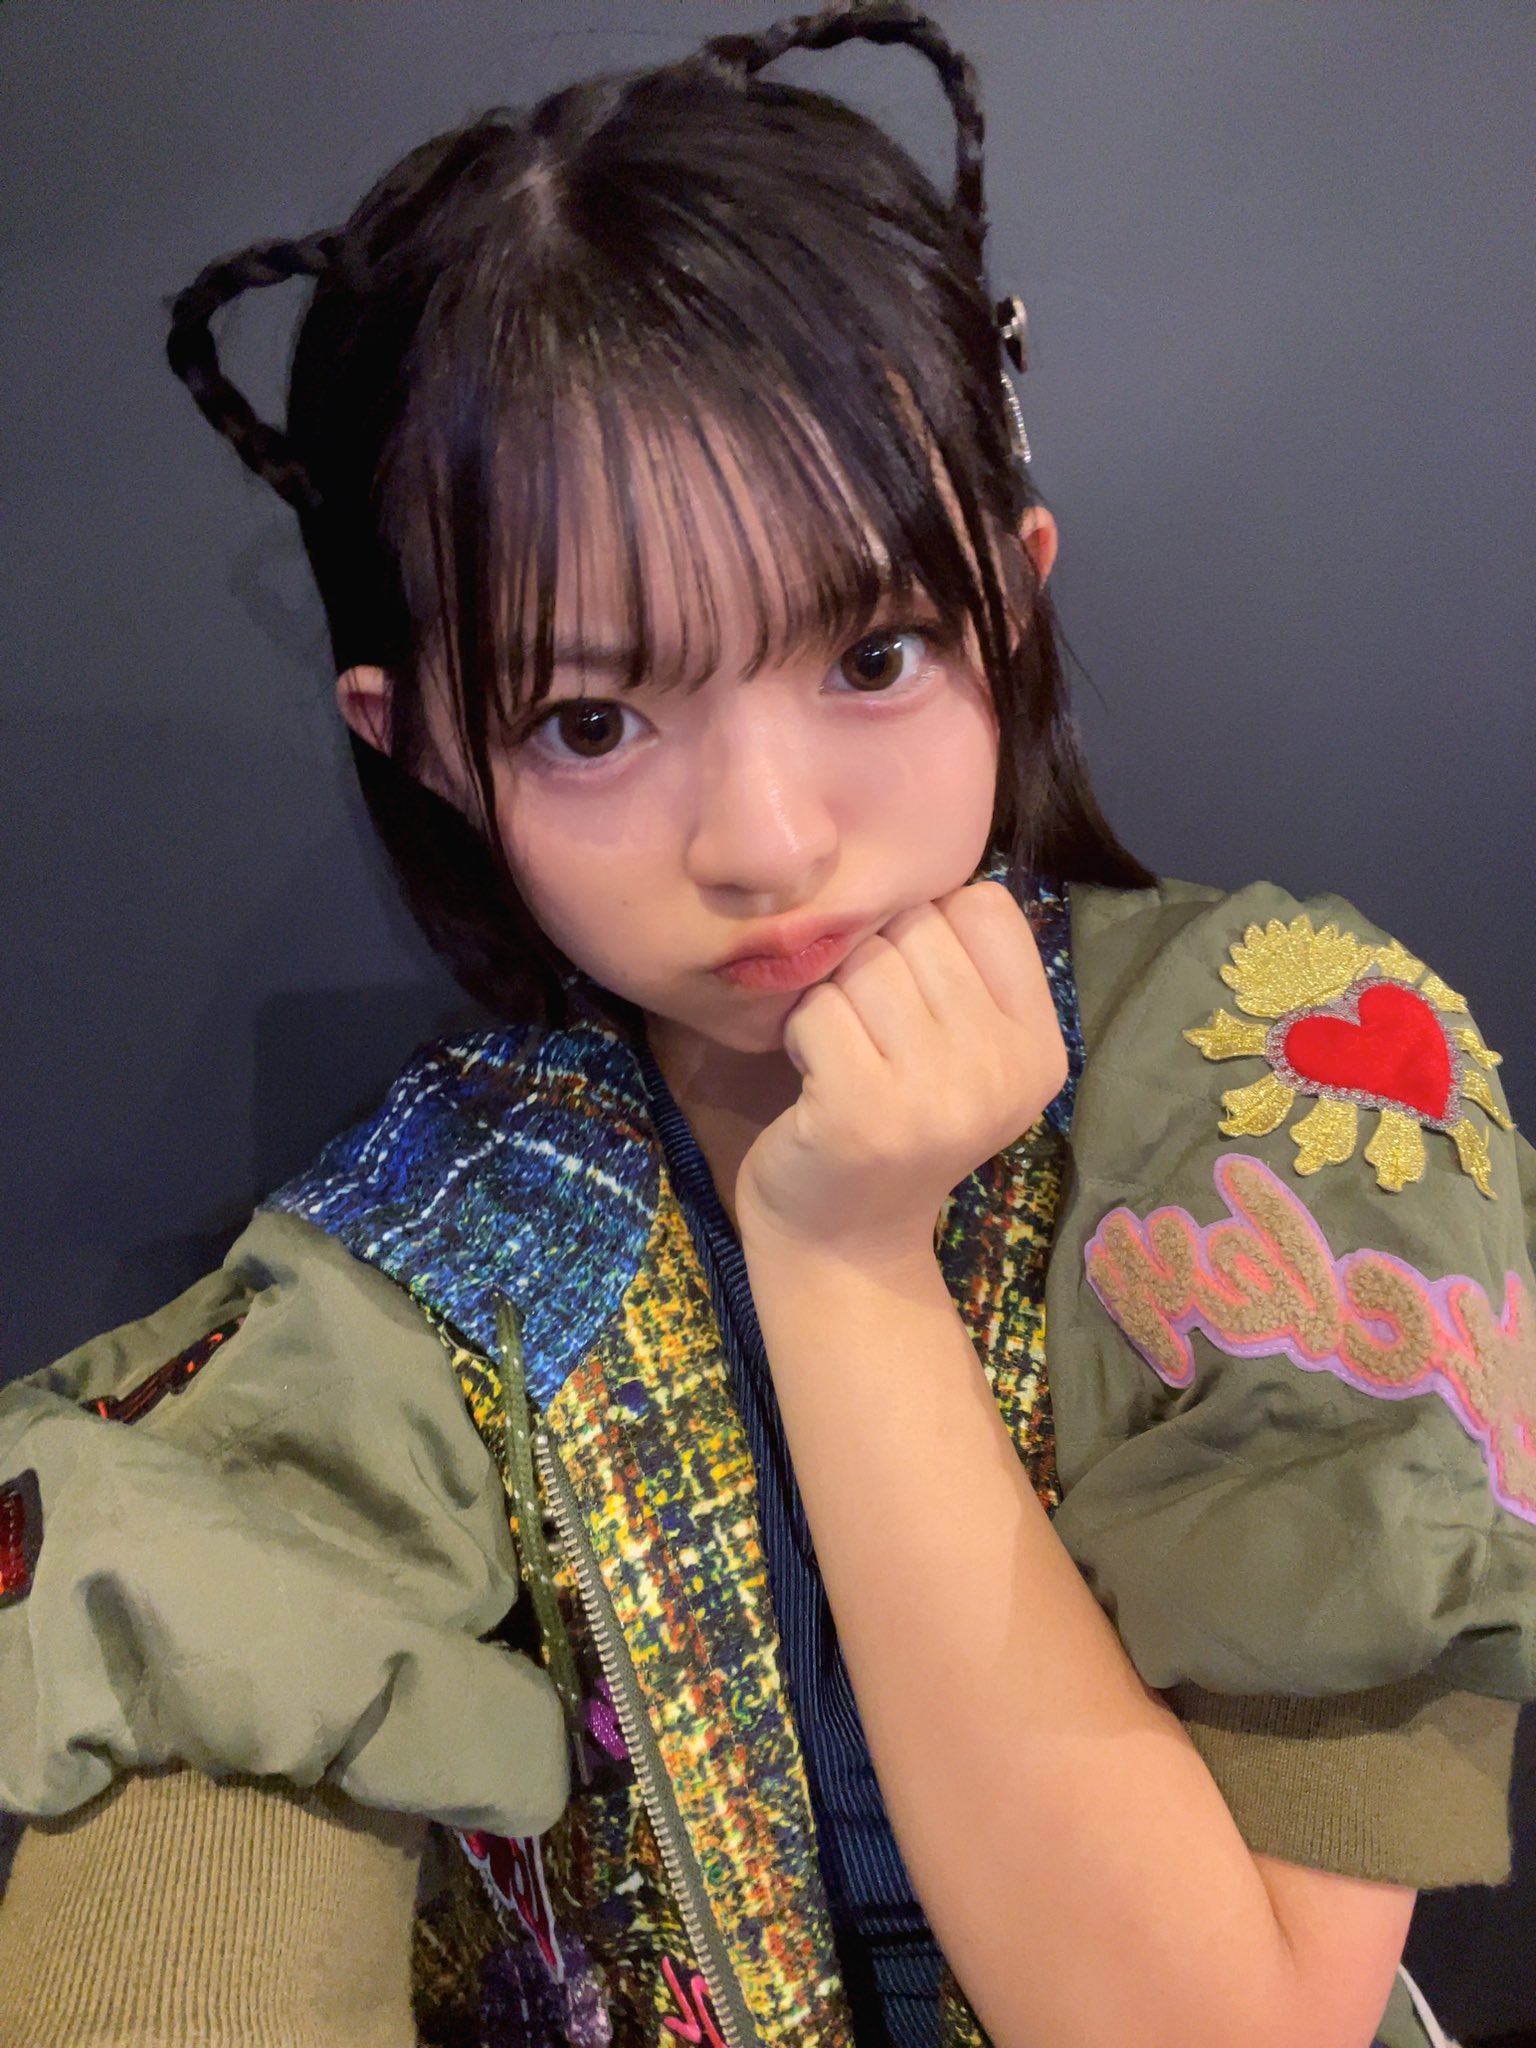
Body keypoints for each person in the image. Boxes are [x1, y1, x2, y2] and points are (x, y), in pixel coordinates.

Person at [0, 4, 1530, 2045]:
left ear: (1011, 594)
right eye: (593, 720)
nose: (768, 840)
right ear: (424, 740)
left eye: (873, 653)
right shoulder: (407, 1259)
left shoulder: (1292, 1084)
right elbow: (200, 1764)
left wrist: (845, 1260)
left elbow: (1225, 2023)